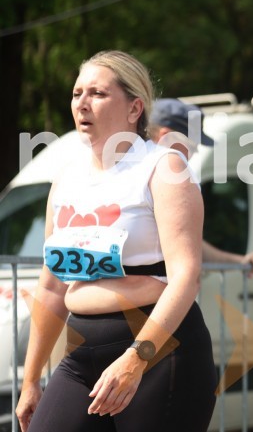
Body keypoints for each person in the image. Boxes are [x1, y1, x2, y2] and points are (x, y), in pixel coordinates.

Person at [16, 51, 217, 432]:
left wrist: (136, 358)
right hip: (81, 352)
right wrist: (30, 381)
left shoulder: (164, 167)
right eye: (77, 93)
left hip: (160, 351)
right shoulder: (65, 179)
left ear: (134, 107)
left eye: (98, 93)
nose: (82, 103)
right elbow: (52, 285)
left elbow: (186, 277)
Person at [148, 97, 253, 275]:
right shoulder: (162, 180)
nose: (191, 156)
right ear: (166, 137)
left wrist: (240, 261)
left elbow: (189, 241)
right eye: (190, 146)